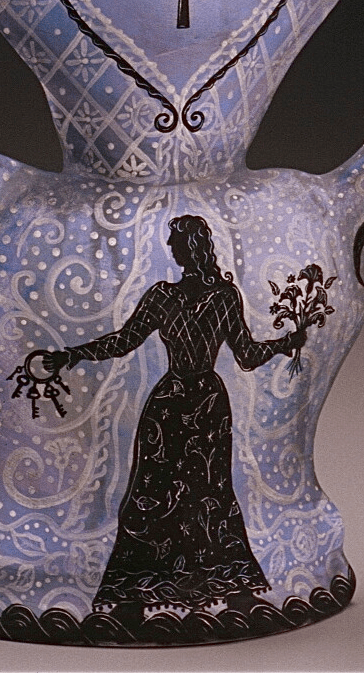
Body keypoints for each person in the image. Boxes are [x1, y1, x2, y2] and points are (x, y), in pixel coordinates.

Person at [43, 214, 305, 621]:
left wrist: (72, 355)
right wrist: (286, 342)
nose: (172, 248)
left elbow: (124, 341)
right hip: (203, 403)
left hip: (174, 403)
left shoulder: (169, 296)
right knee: (199, 492)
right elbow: (248, 355)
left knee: (175, 492)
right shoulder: (217, 296)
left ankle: (142, 597)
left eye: (176, 243)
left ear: (188, 249)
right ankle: (217, 593)